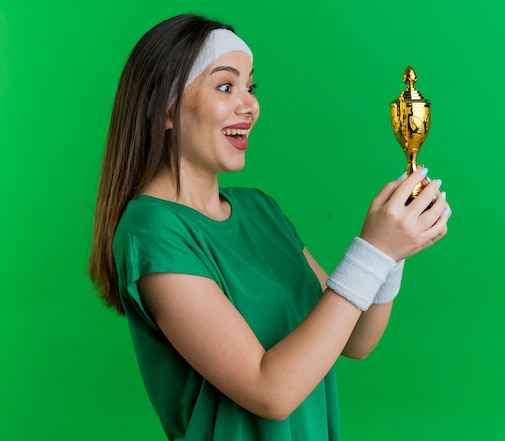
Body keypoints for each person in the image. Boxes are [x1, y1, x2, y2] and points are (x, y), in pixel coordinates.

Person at [88, 13, 451, 441]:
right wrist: (373, 251)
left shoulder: (260, 210)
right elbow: (270, 391)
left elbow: (354, 339)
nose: (250, 104)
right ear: (165, 109)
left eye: (251, 86)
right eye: (226, 86)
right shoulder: (152, 231)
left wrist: (393, 251)